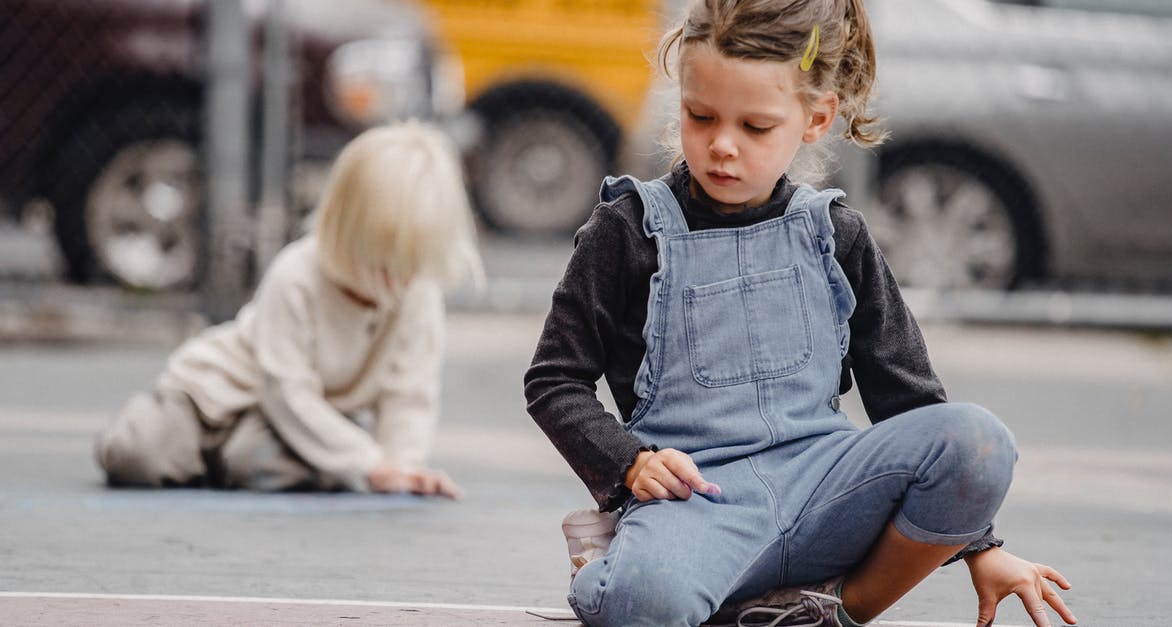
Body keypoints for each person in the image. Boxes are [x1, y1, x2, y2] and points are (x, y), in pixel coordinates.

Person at [524, 1, 1077, 625]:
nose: (722, 146)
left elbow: (911, 399)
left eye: (755, 126)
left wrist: (981, 547)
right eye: (699, 116)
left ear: (816, 119)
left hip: (828, 493)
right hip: (698, 507)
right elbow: (554, 381)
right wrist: (629, 463)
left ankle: (835, 609)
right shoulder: (625, 230)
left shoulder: (836, 234)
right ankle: (627, 568)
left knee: (978, 442)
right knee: (643, 600)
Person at [96, 121, 482, 497]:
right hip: (218, 396)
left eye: (412, 264)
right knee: (138, 455)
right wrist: (368, 463)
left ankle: (230, 464)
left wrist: (401, 466)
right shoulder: (297, 273)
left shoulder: (419, 295)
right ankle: (189, 448)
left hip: (285, 424)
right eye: (382, 262)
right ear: (343, 230)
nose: (398, 281)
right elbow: (285, 390)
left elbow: (409, 393)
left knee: (259, 458)